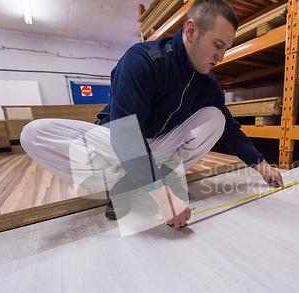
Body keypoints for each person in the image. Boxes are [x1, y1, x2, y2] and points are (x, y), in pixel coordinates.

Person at [20, 0, 284, 230]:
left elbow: (229, 128)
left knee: (217, 117)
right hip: (115, 142)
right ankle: (130, 184)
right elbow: (125, 135)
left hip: (158, 145)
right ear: (191, 30)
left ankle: (155, 181)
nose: (222, 56)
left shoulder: (206, 83)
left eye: (225, 47)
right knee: (34, 133)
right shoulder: (143, 61)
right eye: (217, 45)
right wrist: (163, 199)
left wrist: (261, 165)